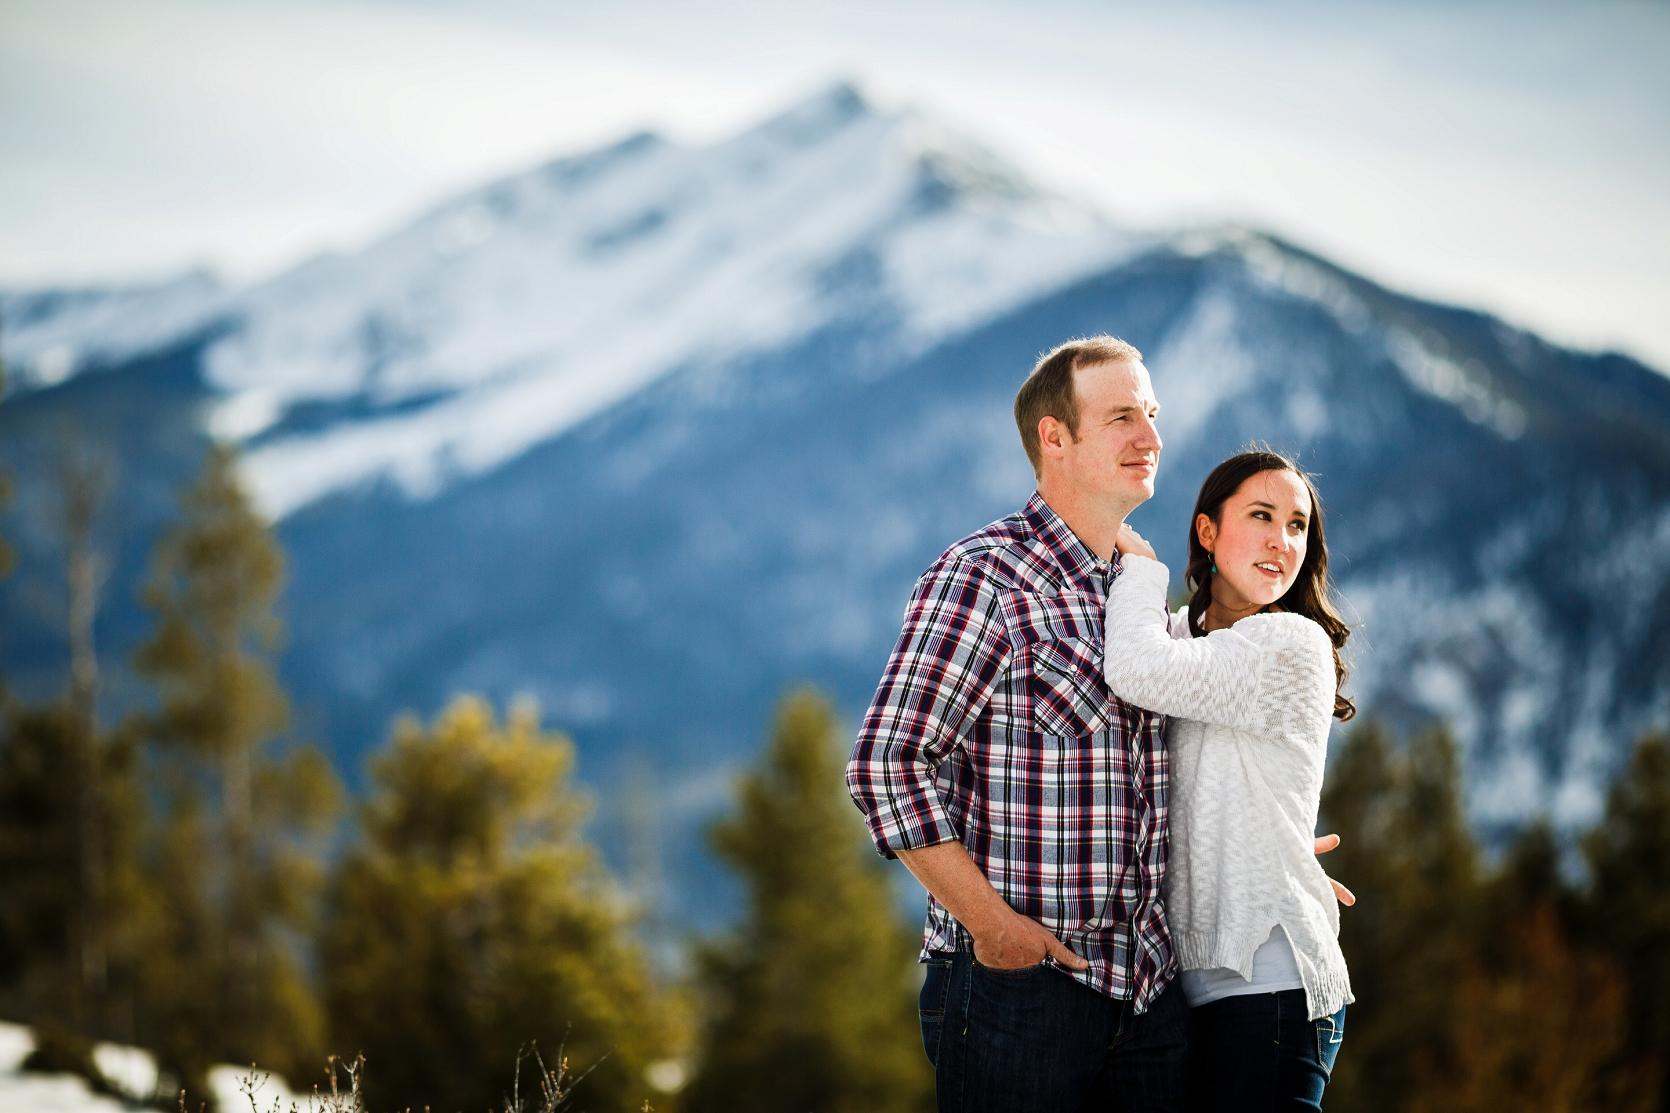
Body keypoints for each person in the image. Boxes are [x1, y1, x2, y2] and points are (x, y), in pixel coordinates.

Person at [846, 335, 1186, 1113]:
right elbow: (886, 763)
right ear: (1055, 438)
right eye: (1123, 417)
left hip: (1153, 993)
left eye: (1154, 414)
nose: (1152, 438)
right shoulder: (985, 575)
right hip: (1024, 995)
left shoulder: (1140, 597)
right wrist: (996, 931)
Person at [1103, 450, 1354, 1113]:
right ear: (1209, 531)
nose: (1282, 540)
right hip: (1189, 991)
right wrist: (1265, 848)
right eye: (1262, 515)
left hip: (1273, 992)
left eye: (1298, 525)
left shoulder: (1291, 647)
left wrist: (1141, 567)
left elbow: (1133, 667)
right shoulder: (1179, 637)